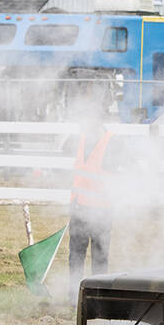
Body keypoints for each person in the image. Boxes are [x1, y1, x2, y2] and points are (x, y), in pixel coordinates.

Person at [66, 116, 114, 281]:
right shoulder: (80, 140)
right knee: (76, 256)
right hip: (79, 209)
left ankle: (97, 297)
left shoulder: (113, 144)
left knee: (99, 258)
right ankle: (74, 296)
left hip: (102, 212)